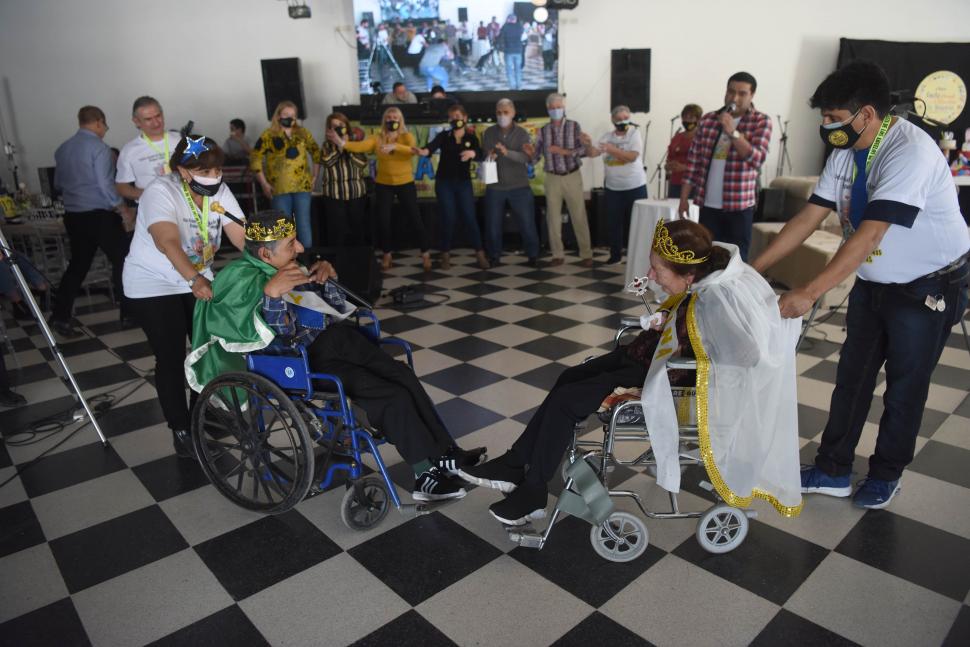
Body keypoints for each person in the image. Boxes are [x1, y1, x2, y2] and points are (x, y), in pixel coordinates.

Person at [460, 219, 803, 525]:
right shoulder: (697, 285)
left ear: (688, 275)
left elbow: (746, 354)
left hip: (663, 378)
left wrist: (699, 355)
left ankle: (533, 491)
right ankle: (515, 462)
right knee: (568, 377)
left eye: (658, 271)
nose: (651, 276)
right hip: (643, 357)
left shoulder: (713, 299)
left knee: (568, 399)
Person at [752, 60, 970, 510]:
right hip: (875, 283)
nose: (827, 127)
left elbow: (871, 232)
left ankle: (886, 473)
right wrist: (754, 269)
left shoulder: (910, 152)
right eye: (825, 119)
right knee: (852, 378)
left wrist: (809, 291)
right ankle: (832, 468)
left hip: (928, 286)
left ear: (866, 114)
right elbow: (808, 218)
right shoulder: (846, 154)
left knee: (905, 385)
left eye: (834, 118)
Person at [185, 209, 486, 501]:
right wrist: (271, 296)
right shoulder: (239, 279)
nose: (301, 248)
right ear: (265, 255)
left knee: (401, 375)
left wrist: (326, 281)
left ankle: (446, 453)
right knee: (388, 394)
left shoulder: (284, 267)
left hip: (335, 339)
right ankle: (424, 474)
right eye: (292, 244)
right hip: (300, 360)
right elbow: (271, 336)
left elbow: (330, 312)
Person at [123, 135, 245, 458]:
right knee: (171, 355)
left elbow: (241, 232)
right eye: (204, 170)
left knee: (209, 348)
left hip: (197, 277)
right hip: (153, 283)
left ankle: (205, 417)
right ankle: (181, 428)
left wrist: (271, 257)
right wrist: (193, 278)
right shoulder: (160, 191)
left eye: (217, 169)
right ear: (183, 171)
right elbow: (168, 242)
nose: (213, 175)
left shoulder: (219, 190)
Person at [51, 106, 132, 338]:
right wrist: (122, 207)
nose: (105, 130)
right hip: (99, 215)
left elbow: (57, 184)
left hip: (73, 216)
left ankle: (60, 315)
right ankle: (129, 313)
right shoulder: (100, 149)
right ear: (98, 122)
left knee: (77, 265)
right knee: (123, 260)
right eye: (105, 125)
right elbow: (106, 185)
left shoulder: (62, 149)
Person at [678, 72, 771, 261]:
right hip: (708, 205)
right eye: (730, 91)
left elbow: (756, 158)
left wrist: (732, 132)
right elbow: (694, 161)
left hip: (739, 206)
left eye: (742, 93)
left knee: (736, 260)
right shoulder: (709, 119)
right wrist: (684, 197)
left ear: (752, 95)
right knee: (707, 257)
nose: (734, 98)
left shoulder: (760, 121)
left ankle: (733, 292)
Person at [334, 107, 431, 271]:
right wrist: (342, 143)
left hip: (405, 183)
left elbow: (412, 151)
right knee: (383, 220)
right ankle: (387, 254)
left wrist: (395, 146)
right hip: (384, 184)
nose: (392, 120)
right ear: (384, 120)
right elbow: (362, 146)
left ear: (400, 121)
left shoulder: (406, 137)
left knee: (416, 219)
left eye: (395, 117)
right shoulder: (377, 138)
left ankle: (425, 253)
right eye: (389, 117)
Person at [416, 104, 488, 270]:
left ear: (465, 118)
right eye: (452, 117)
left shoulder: (471, 137)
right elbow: (430, 148)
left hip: (463, 183)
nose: (456, 119)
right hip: (444, 183)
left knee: (470, 218)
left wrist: (473, 154)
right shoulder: (444, 136)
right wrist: (422, 152)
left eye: (458, 116)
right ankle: (445, 254)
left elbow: (480, 153)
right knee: (448, 218)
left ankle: (480, 254)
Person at [531, 93, 593, 267]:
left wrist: (564, 151)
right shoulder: (543, 130)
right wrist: (529, 152)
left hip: (572, 175)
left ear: (564, 107)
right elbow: (535, 157)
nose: (556, 110)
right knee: (553, 218)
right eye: (553, 108)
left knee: (579, 215)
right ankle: (557, 254)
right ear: (548, 110)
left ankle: (586, 253)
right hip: (552, 178)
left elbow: (583, 151)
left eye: (559, 107)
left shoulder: (574, 126)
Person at [250, 101, 321, 247]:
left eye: (293, 115)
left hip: (302, 186)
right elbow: (255, 158)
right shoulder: (268, 135)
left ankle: (307, 259)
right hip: (278, 187)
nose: (290, 118)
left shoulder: (302, 133)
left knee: (304, 224)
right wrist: (263, 183)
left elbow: (316, 153)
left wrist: (315, 176)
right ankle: (285, 260)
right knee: (283, 226)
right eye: (286, 115)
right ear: (278, 116)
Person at [583, 105, 648, 264]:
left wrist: (612, 150)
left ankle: (636, 257)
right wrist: (587, 144)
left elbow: (632, 157)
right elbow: (593, 153)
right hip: (613, 188)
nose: (622, 121)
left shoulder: (634, 134)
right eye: (619, 119)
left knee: (636, 223)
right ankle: (615, 255)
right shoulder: (606, 137)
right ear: (612, 120)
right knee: (614, 222)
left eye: (626, 118)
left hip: (635, 186)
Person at [482, 98, 540, 267]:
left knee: (527, 223)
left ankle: (533, 255)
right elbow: (485, 154)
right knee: (492, 225)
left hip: (519, 186)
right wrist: (490, 155)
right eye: (499, 113)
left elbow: (525, 158)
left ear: (513, 113)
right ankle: (493, 255)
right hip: (495, 187)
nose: (502, 116)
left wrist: (507, 153)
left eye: (506, 112)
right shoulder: (489, 133)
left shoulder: (522, 133)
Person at [115, 96, 182, 204]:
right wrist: (149, 193)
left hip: (184, 204)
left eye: (158, 116)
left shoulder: (181, 139)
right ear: (136, 121)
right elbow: (121, 186)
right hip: (151, 206)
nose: (156, 123)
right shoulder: (129, 150)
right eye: (148, 119)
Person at [317, 112, 368, 246]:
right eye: (334, 126)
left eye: (340, 125)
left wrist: (346, 145)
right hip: (334, 194)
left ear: (346, 126)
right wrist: (339, 146)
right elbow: (327, 162)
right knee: (337, 233)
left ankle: (358, 261)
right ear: (329, 129)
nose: (338, 128)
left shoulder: (356, 143)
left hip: (355, 193)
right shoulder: (326, 145)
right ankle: (337, 263)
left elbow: (361, 163)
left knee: (358, 230)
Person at [666, 104, 703, 199]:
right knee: (673, 212)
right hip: (675, 183)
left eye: (691, 117)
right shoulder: (677, 137)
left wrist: (683, 167)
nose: (687, 120)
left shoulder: (702, 138)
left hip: (693, 184)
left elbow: (704, 164)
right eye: (685, 117)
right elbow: (669, 158)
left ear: (698, 120)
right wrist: (669, 165)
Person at [498, 14, 524, 90]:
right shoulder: (519, 26)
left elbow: (501, 38)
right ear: (515, 19)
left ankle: (512, 85)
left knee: (509, 69)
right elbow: (522, 35)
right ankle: (519, 85)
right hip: (518, 50)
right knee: (518, 69)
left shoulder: (505, 27)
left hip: (508, 51)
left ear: (508, 19)